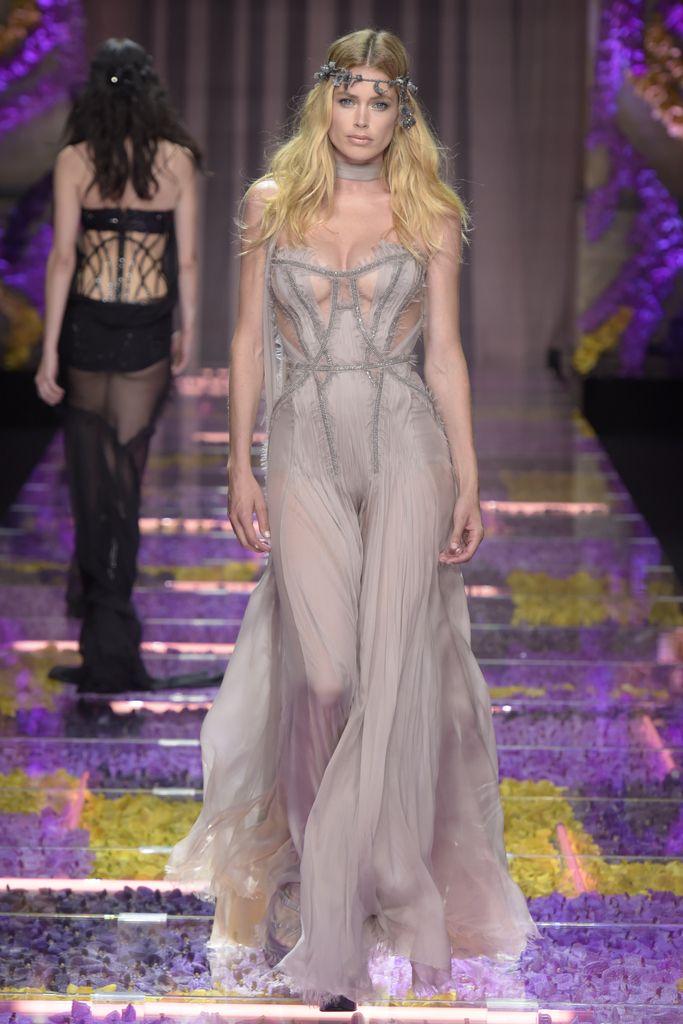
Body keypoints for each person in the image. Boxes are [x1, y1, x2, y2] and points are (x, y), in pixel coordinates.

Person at [167, 28, 539, 1008]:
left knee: (391, 674)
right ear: (322, 102)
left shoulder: (429, 212)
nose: (362, 117)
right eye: (349, 97)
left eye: (380, 100)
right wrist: (238, 463)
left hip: (407, 447)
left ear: (401, 112)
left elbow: (444, 354)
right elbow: (246, 341)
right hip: (301, 448)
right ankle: (335, 874)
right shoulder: (271, 203)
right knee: (324, 674)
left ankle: (346, 912)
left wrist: (468, 479)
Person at [34, 38, 201, 693]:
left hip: (87, 331)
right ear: (150, 89)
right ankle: (113, 645)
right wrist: (188, 328)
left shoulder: (75, 159)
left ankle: (103, 642)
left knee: (90, 491)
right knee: (125, 489)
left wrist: (49, 348)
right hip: (147, 333)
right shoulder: (177, 161)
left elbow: (63, 259)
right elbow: (187, 260)